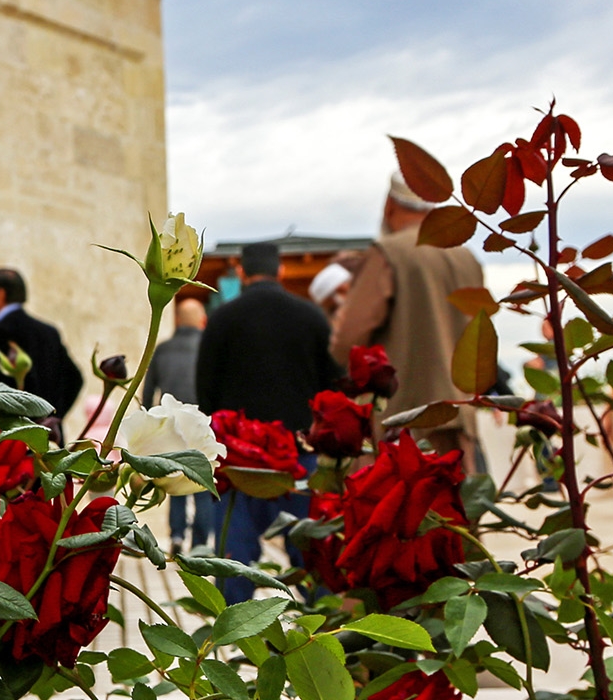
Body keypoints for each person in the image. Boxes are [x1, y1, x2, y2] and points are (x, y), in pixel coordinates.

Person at [197, 242, 339, 602]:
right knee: (310, 557)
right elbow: (332, 385)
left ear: (242, 272)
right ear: (282, 271)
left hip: (239, 461)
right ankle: (323, 632)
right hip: (297, 456)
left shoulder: (223, 319)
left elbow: (205, 391)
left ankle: (231, 642)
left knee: (234, 559)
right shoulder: (311, 317)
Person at [332, 173, 487, 466]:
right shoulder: (466, 257)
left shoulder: (389, 253)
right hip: (460, 415)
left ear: (389, 206)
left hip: (404, 421)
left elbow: (348, 341)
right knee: (455, 505)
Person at [0, 268, 83, 432]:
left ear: (0, 294)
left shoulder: (2, 331)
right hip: (49, 437)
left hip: (17, 437)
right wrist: (53, 416)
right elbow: (75, 378)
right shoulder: (48, 332)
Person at [143, 290, 209, 552]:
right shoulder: (208, 347)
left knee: (175, 479)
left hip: (171, 425)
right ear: (203, 320)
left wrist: (150, 423)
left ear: (178, 320)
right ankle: (201, 543)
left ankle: (177, 536)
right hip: (203, 423)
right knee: (202, 482)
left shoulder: (162, 350)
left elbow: (148, 391)